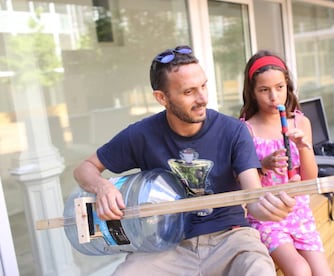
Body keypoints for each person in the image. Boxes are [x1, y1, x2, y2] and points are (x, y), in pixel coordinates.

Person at [73, 45, 297, 276]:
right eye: (189, 92)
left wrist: (270, 207)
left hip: (230, 238)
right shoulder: (141, 134)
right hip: (165, 245)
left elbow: (254, 200)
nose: (203, 99)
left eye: (203, 86)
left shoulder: (234, 131)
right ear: (162, 98)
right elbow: (84, 168)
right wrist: (103, 188)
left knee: (259, 270)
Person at [239, 50, 332, 276]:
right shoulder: (245, 129)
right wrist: (263, 165)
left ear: (287, 86)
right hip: (267, 215)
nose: (274, 97)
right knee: (300, 270)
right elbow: (242, 181)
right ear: (252, 92)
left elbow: (309, 179)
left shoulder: (300, 121)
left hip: (300, 212)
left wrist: (303, 147)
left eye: (279, 87)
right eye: (264, 90)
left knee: (323, 273)